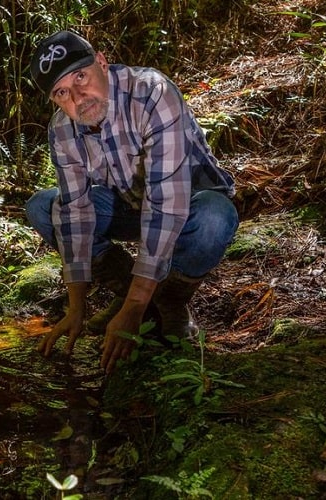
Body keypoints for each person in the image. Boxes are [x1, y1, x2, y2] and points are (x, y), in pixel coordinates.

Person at [25, 30, 239, 373]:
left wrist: (135, 309)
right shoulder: (62, 129)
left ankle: (168, 302)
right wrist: (76, 306)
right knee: (42, 207)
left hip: (188, 203)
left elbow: (167, 204)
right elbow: (76, 211)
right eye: (62, 92)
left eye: (81, 76)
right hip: (128, 204)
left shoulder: (151, 92)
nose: (78, 97)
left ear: (102, 63)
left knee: (215, 219)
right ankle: (125, 291)